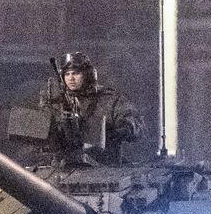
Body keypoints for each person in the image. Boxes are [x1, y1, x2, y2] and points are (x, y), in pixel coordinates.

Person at [8, 52, 143, 165]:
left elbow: (136, 127)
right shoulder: (55, 103)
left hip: (105, 168)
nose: (71, 78)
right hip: (62, 168)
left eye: (76, 73)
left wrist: (116, 131)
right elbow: (43, 134)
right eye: (67, 74)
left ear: (87, 75)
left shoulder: (110, 100)